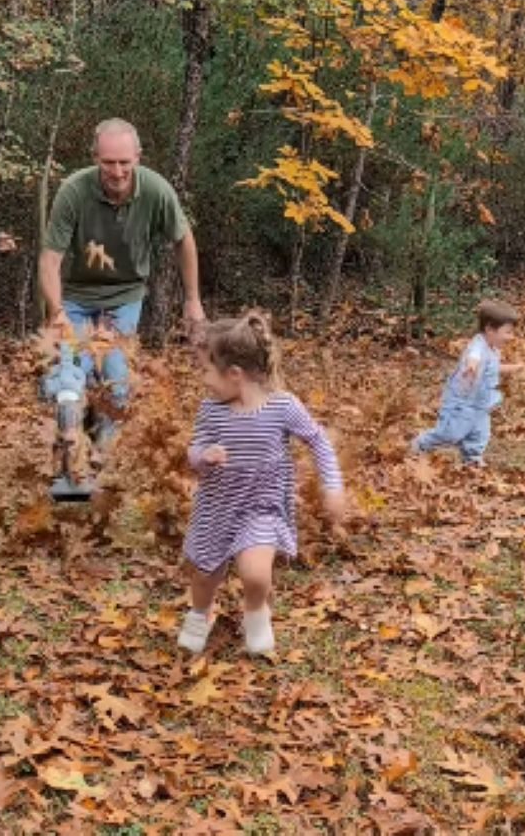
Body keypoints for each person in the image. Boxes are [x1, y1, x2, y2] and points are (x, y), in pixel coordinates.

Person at [38, 119, 206, 467]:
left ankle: (102, 457)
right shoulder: (73, 192)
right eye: (108, 162)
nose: (117, 172)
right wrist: (56, 312)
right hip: (76, 297)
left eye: (124, 162)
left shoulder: (157, 191)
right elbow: (50, 260)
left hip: (124, 297)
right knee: (71, 375)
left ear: (138, 158)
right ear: (95, 158)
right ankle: (69, 457)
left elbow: (183, 240)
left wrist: (192, 300)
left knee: (117, 380)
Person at [177, 311, 346, 656]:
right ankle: (200, 613)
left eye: (206, 370)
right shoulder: (211, 410)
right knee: (205, 575)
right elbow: (193, 452)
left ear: (234, 374)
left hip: (261, 507)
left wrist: (332, 485)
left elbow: (318, 440)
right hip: (216, 507)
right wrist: (203, 456)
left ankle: (256, 614)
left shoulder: (282, 406)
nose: (202, 379)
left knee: (255, 572)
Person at [410, 299, 525, 467]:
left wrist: (515, 368)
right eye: (507, 332)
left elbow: (492, 368)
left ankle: (472, 460)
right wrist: (471, 366)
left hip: (480, 403)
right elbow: (474, 357)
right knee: (451, 434)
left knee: (480, 434)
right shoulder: (477, 345)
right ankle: (420, 444)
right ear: (489, 329)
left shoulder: (494, 348)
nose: (511, 337)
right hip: (461, 402)